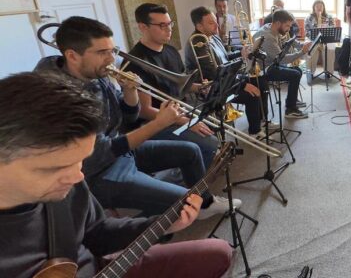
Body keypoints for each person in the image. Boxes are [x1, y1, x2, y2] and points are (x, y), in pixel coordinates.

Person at [0, 72, 233, 278]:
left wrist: (164, 225)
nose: (78, 177)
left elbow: (99, 234)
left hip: (97, 267)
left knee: (217, 253)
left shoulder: (69, 185)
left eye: (80, 160)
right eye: (57, 167)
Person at [35, 16, 231, 218]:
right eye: (102, 52)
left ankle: (204, 204)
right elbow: (101, 151)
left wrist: (130, 92)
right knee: (184, 200)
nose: (111, 59)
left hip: (119, 154)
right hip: (97, 173)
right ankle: (142, 232)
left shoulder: (92, 74)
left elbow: (128, 117)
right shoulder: (61, 96)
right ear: (72, 56)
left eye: (112, 50)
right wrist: (159, 123)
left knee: (190, 151)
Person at [125, 3, 219, 169]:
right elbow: (145, 110)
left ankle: (195, 168)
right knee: (209, 142)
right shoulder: (135, 62)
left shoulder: (171, 50)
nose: (169, 29)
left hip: (178, 109)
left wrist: (199, 87)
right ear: (142, 27)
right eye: (162, 25)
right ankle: (191, 187)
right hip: (157, 122)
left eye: (170, 24)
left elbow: (181, 85)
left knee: (215, 122)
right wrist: (184, 120)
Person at [184, 6, 272, 138]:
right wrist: (242, 85)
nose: (216, 25)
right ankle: (255, 132)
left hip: (227, 78)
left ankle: (261, 121)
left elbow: (225, 56)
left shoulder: (213, 37)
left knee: (261, 81)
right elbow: (214, 73)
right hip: (214, 86)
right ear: (200, 27)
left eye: (215, 21)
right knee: (252, 94)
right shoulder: (198, 44)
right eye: (211, 23)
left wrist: (241, 53)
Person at [254, 10, 311, 119]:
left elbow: (289, 41)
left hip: (272, 62)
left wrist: (302, 45)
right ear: (279, 23)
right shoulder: (268, 37)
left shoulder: (272, 27)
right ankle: (290, 110)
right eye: (287, 26)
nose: (289, 29)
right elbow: (282, 59)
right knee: (295, 74)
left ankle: (291, 101)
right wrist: (301, 52)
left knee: (297, 71)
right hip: (264, 69)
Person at [305, 0, 336, 74]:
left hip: (326, 39)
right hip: (313, 39)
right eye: (317, 6)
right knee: (310, 49)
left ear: (324, 7)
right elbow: (307, 32)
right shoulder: (309, 18)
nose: (319, 8)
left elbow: (333, 28)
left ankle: (328, 72)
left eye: (321, 6)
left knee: (330, 49)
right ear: (314, 8)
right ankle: (310, 72)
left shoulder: (329, 17)